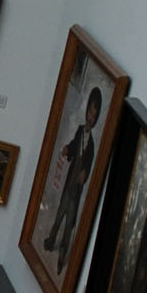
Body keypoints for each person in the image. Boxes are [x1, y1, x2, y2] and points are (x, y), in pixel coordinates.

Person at [43, 87, 104, 269]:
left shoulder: (92, 145)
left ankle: (63, 252)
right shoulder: (79, 131)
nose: (90, 118)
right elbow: (73, 144)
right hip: (69, 183)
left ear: (96, 119)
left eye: (94, 115)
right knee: (59, 214)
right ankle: (51, 240)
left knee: (70, 221)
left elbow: (89, 164)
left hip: (76, 188)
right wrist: (68, 149)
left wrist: (85, 173)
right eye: (89, 113)